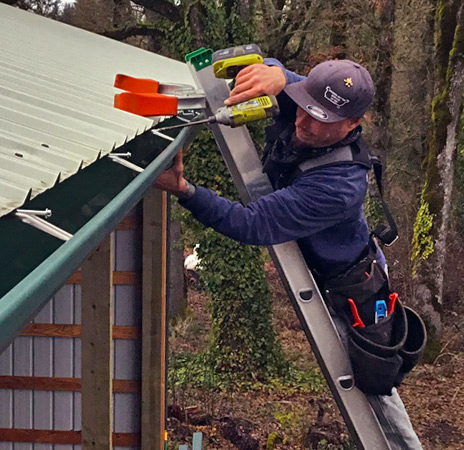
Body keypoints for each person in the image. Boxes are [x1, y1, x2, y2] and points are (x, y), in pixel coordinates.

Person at [154, 58, 423, 449]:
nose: (304, 121)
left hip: (353, 291)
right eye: (305, 104)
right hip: (337, 266)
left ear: (352, 124)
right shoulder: (308, 106)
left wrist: (186, 191)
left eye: (323, 119)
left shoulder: (340, 186)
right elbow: (285, 78)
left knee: (376, 388)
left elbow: (252, 223)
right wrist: (275, 72)